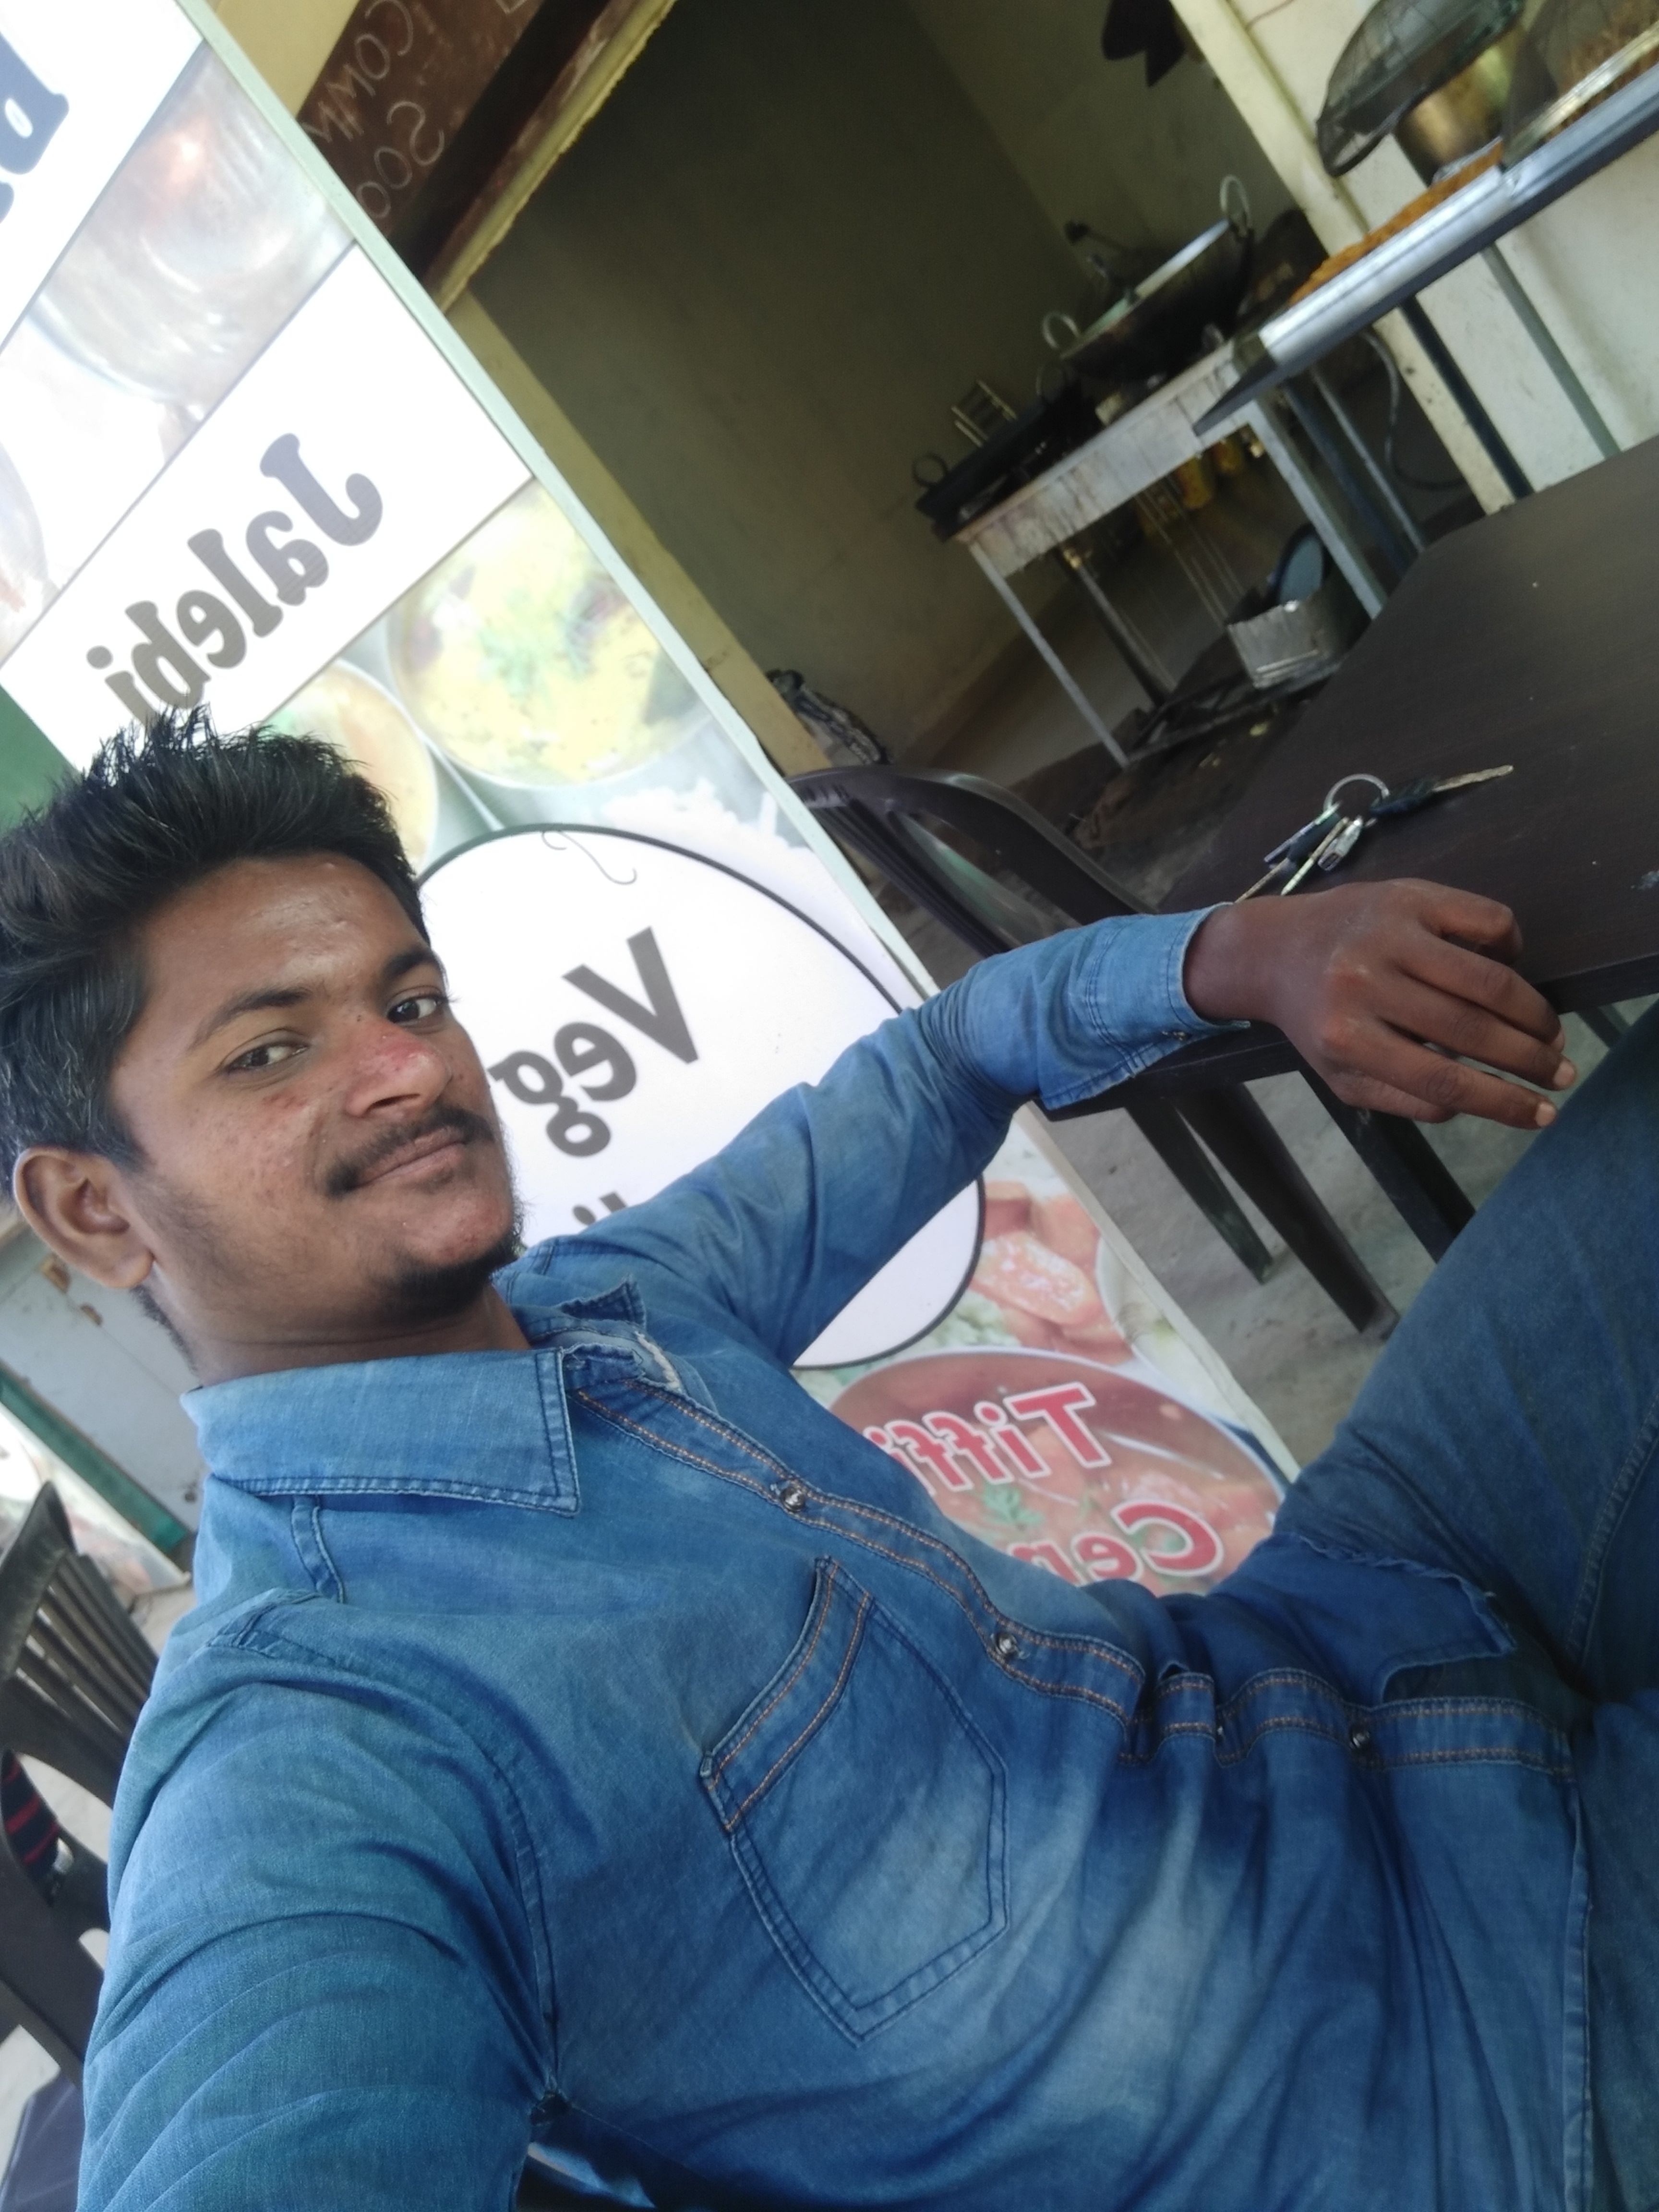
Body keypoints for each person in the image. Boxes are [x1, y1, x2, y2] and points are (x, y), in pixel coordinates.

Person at [0, 714, 1648, 2212]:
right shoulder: (317, 1751)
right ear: (93, 1208)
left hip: (1353, 1638)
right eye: (269, 1052)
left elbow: (946, 1061)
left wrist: (1234, 954)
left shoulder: (615, 1301)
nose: (408, 1067)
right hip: (1457, 2083)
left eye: (409, 998)